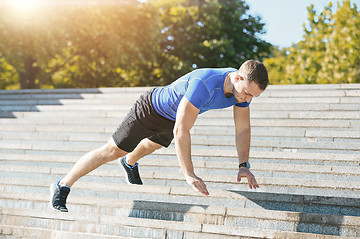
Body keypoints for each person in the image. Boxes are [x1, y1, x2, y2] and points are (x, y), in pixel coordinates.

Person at [50, 60, 269, 212]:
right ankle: (62, 185)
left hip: (172, 117)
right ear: (237, 77)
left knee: (152, 145)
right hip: (150, 109)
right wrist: (189, 174)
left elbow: (242, 129)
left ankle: (129, 163)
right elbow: (181, 131)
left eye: (254, 97)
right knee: (112, 150)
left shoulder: (242, 94)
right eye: (247, 93)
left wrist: (244, 165)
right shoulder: (205, 83)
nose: (248, 100)